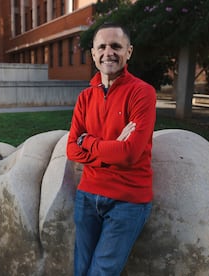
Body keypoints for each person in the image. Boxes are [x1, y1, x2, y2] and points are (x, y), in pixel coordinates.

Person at [66, 22, 157, 275]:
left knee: (101, 272)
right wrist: (112, 147)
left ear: (129, 51)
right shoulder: (85, 98)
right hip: (87, 195)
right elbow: (72, 149)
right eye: (102, 47)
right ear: (94, 54)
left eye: (116, 46)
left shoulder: (143, 93)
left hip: (127, 200)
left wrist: (89, 142)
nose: (109, 52)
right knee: (81, 268)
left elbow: (130, 153)